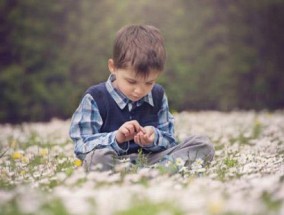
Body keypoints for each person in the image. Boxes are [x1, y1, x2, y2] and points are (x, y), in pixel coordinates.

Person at [69, 24, 214, 172]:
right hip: (115, 161)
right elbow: (81, 146)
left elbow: (170, 140)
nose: (139, 91)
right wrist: (117, 138)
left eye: (149, 82)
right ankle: (157, 173)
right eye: (131, 81)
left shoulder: (157, 95)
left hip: (153, 159)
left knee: (203, 144)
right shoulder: (96, 97)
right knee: (96, 158)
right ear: (113, 67)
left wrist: (153, 138)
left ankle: (155, 172)